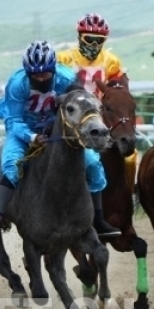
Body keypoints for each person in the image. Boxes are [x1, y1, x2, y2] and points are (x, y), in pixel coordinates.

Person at [0, 40, 121, 243]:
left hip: (57, 128)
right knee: (11, 164)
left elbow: (80, 106)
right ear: (27, 72)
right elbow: (13, 120)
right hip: (24, 129)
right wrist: (32, 137)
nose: (40, 78)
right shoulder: (17, 84)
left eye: (45, 74)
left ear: (53, 69)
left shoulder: (66, 78)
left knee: (91, 162)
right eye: (35, 75)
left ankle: (98, 221)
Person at [57, 13, 137, 184]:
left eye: (99, 40)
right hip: (72, 117)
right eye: (89, 39)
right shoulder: (63, 59)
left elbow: (118, 94)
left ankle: (130, 191)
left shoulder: (112, 62)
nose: (94, 44)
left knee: (131, 156)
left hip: (101, 116)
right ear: (80, 37)